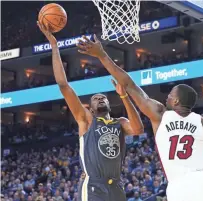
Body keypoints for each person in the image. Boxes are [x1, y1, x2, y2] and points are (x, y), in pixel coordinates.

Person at [77, 35, 203, 201]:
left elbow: (128, 84)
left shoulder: (160, 114)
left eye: (171, 94)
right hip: (202, 183)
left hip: (178, 187)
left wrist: (102, 54)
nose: (167, 96)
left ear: (178, 100)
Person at [37, 23, 144, 201]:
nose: (100, 98)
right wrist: (54, 46)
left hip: (117, 186)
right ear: (91, 108)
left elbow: (138, 129)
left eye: (103, 97)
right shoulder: (86, 120)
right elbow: (64, 86)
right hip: (94, 186)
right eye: (95, 98)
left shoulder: (120, 123)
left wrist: (124, 96)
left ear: (110, 104)